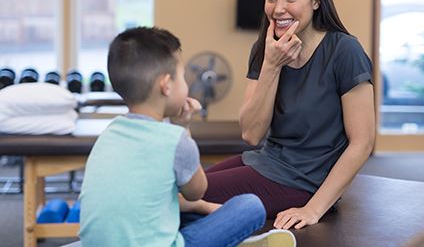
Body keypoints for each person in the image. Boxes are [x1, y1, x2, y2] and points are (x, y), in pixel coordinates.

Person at [79, 26, 296, 247]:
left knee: (180, 208)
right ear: (166, 85)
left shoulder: (108, 134)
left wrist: (203, 207)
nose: (186, 83)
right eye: (182, 76)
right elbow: (197, 191)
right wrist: (183, 128)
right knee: (251, 206)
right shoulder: (175, 140)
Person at [203, 0, 376, 230]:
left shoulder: (344, 51)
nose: (278, 8)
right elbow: (251, 134)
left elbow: (362, 143)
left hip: (305, 181)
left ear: (316, 1)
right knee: (185, 189)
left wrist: (313, 209)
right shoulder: (265, 49)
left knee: (186, 198)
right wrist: (271, 65)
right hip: (266, 162)